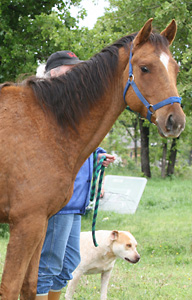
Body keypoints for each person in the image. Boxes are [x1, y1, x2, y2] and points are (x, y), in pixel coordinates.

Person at [36, 51, 116, 300]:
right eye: (71, 70)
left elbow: (81, 145)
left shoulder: (74, 108)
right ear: (54, 74)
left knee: (69, 262)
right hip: (60, 200)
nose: (77, 74)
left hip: (78, 200)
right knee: (50, 262)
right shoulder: (48, 107)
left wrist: (98, 156)